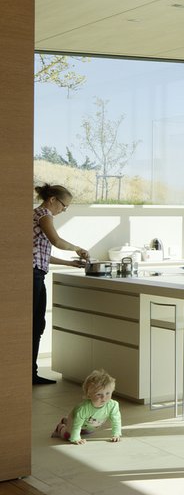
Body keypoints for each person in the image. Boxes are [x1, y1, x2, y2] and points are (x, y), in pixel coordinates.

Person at [33, 182, 89, 384]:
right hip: (34, 276)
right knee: (35, 324)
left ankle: (29, 371)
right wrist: (77, 248)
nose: (64, 210)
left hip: (36, 272)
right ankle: (30, 373)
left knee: (36, 323)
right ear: (52, 199)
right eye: (64, 206)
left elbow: (40, 254)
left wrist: (69, 263)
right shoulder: (43, 215)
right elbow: (56, 241)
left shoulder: (34, 215)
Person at [52, 368, 123, 444]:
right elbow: (77, 424)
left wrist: (116, 434)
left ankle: (65, 420)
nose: (104, 398)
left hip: (89, 424)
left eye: (108, 393)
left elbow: (116, 421)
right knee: (68, 436)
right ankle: (61, 427)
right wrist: (76, 438)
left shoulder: (113, 405)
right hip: (75, 419)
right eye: (99, 394)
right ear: (89, 395)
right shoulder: (83, 408)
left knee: (87, 431)